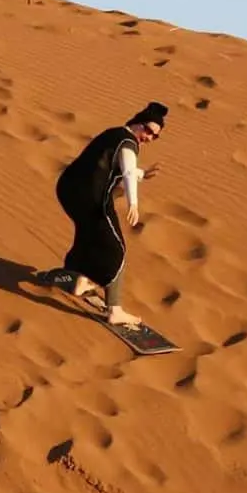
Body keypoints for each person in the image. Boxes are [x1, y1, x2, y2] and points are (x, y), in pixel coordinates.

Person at [50, 101, 168, 328]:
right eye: (148, 130)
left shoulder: (113, 134)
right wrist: (134, 203)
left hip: (68, 191)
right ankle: (115, 310)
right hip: (91, 200)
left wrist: (142, 174)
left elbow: (113, 166)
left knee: (89, 233)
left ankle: (80, 281)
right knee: (116, 249)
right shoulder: (128, 143)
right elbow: (127, 171)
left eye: (155, 136)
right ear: (137, 123)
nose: (149, 137)